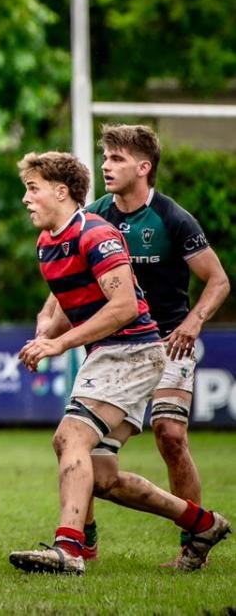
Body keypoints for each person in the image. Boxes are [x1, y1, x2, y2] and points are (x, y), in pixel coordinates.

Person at [10, 151, 228, 576]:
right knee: (103, 476)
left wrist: (59, 345)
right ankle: (202, 524)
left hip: (133, 351)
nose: (25, 198)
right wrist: (44, 335)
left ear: (61, 191)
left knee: (69, 437)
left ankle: (70, 550)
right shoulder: (47, 244)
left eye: (32, 188)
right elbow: (67, 307)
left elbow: (125, 306)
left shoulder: (97, 234)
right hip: (110, 354)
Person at [79, 125, 229, 566]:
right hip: (116, 349)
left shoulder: (173, 219)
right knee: (82, 448)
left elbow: (218, 280)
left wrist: (192, 323)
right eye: (104, 157)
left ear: (144, 167)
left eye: (117, 158)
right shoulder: (95, 216)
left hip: (168, 344)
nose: (106, 165)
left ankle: (194, 545)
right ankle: (83, 545)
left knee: (170, 435)